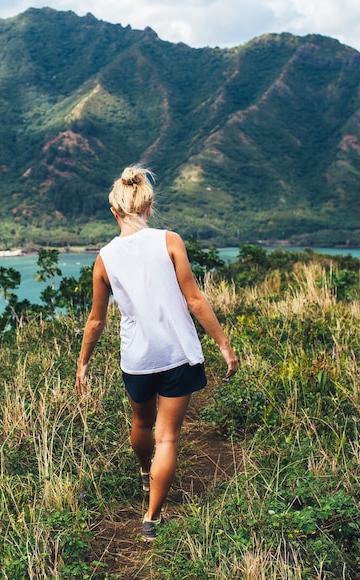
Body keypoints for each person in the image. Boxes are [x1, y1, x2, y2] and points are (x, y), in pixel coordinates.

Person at [75, 165, 239, 542]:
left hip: (137, 359)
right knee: (168, 438)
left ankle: (145, 473)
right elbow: (195, 300)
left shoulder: (104, 257)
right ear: (148, 207)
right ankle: (151, 518)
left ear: (115, 211)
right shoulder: (170, 241)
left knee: (142, 425)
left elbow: (96, 320)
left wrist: (83, 364)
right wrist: (223, 345)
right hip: (177, 354)